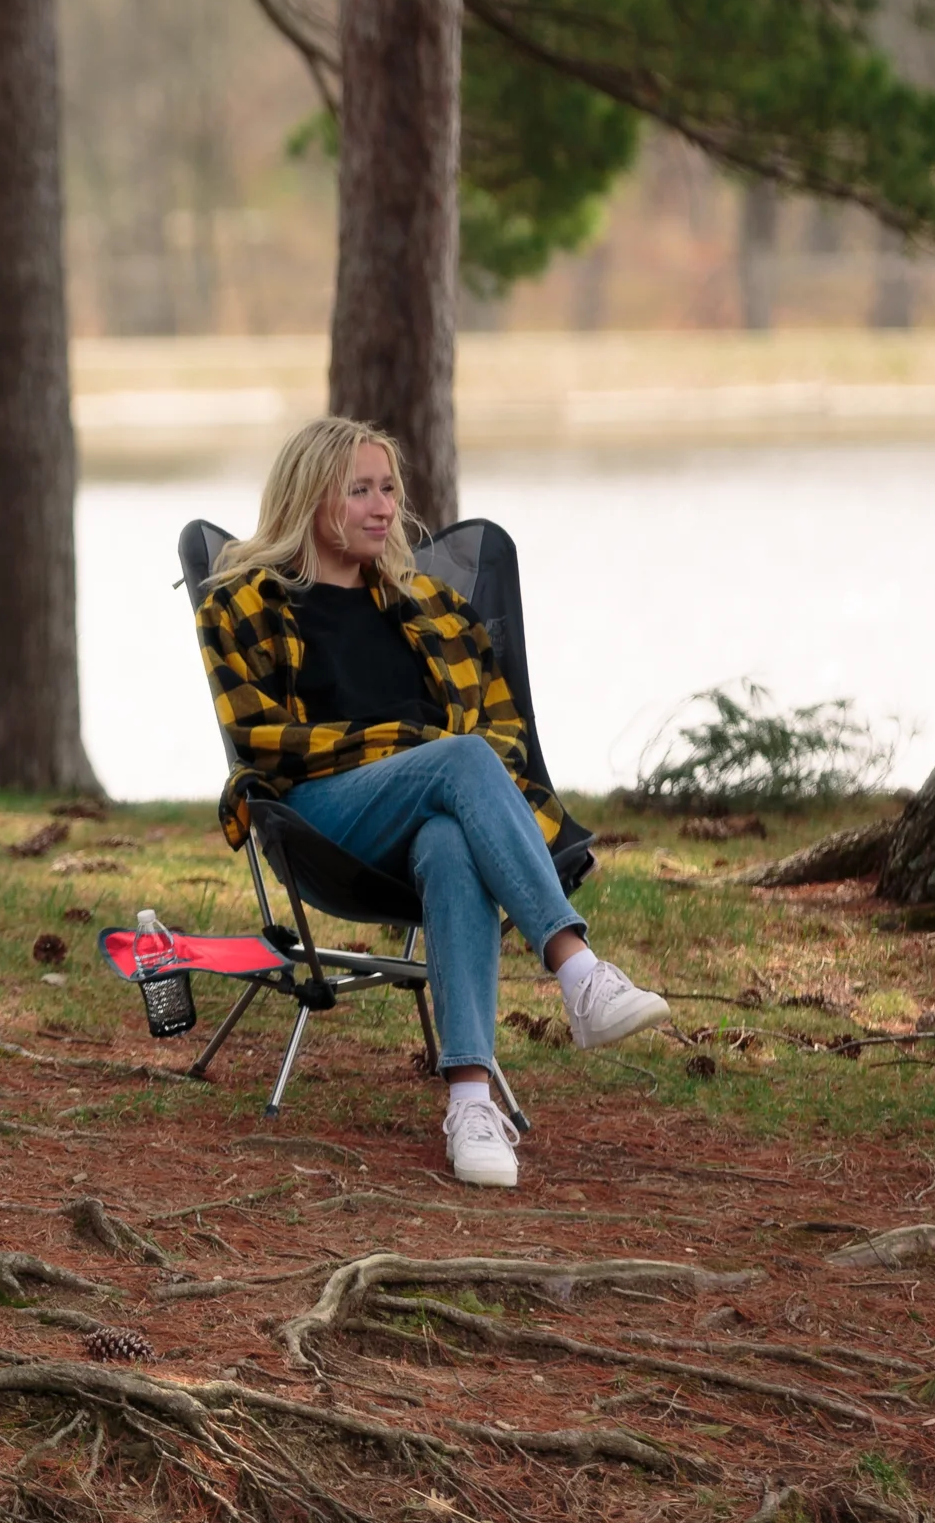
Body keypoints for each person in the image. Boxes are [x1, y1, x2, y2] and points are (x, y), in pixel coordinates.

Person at [197, 415, 669, 1188]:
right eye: (359, 491)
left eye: (388, 488)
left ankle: (470, 1103)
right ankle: (575, 969)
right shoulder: (244, 603)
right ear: (308, 498)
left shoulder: (437, 611)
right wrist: (406, 748)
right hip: (319, 821)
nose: (382, 507)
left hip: (435, 817)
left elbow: (506, 739)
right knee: (454, 761)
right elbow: (261, 738)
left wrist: (431, 760)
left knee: (453, 836)